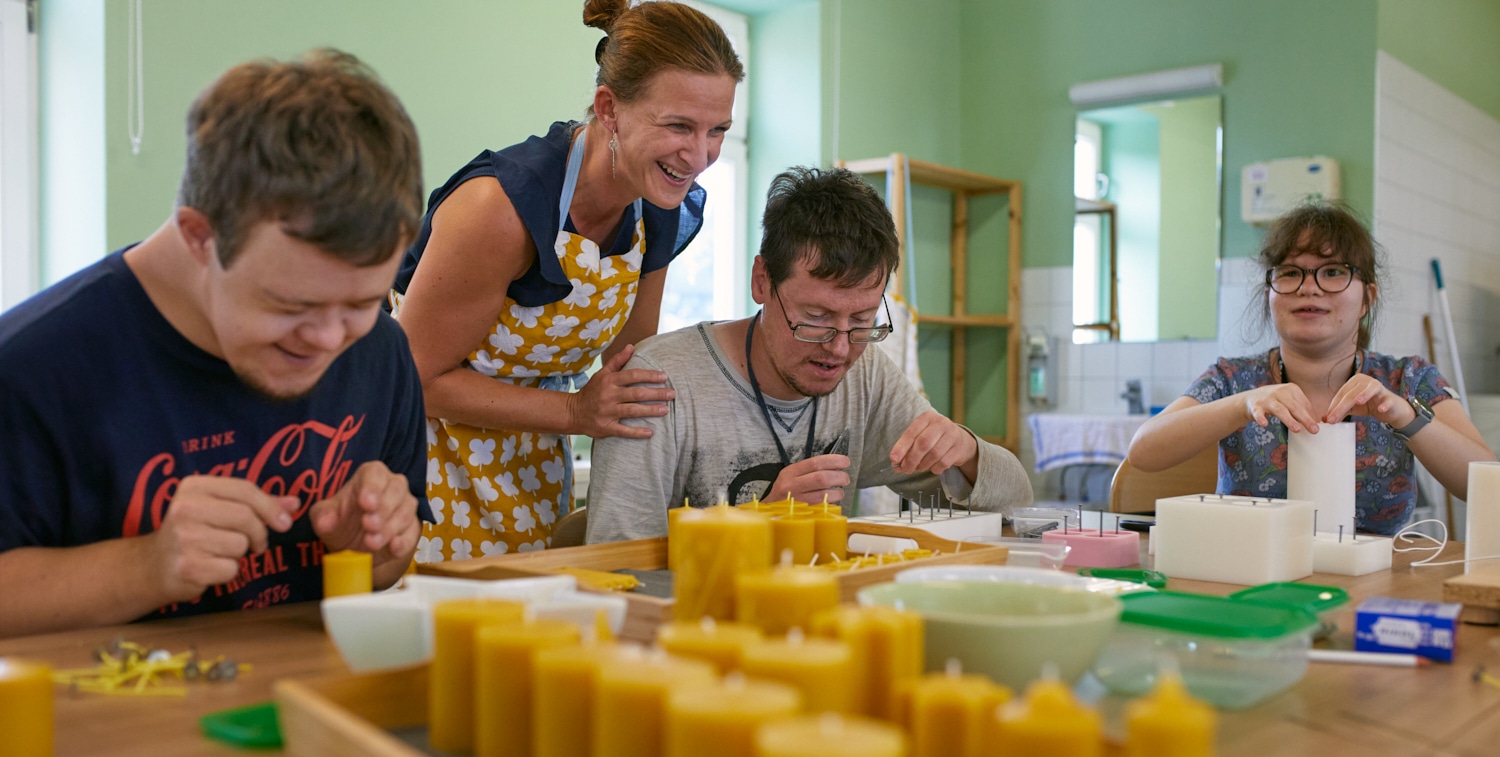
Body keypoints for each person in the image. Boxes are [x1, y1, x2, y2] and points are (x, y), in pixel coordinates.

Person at [0, 50, 432, 638]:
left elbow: (386, 572)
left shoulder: (380, 351)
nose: (331, 338)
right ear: (200, 237)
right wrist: (148, 566)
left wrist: (371, 546)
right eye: (291, 306)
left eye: (361, 303)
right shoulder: (31, 368)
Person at [391, 0, 743, 561]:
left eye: (717, 130)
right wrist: (576, 414)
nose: (699, 156)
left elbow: (631, 364)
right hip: (421, 469)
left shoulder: (658, 204)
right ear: (610, 109)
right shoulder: (500, 207)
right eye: (679, 126)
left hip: (532, 474)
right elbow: (410, 377)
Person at [584, 167, 1033, 543]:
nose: (839, 348)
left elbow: (1018, 505)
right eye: (815, 318)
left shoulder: (867, 376)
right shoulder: (657, 382)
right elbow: (614, 562)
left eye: (862, 321)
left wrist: (969, 454)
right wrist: (758, 522)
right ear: (762, 281)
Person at [1128, 202, 1494, 535]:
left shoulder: (1408, 380)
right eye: (1290, 273)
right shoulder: (1232, 379)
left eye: (1333, 271)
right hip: (1250, 573)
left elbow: (1486, 484)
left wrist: (1404, 416)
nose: (1309, 288)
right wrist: (1242, 404)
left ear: (1367, 298)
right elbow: (1143, 451)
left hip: (1372, 577)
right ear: (1270, 292)